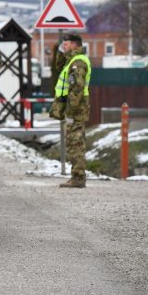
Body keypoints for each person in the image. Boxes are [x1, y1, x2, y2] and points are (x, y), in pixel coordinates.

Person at [50, 32, 91, 188]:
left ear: (75, 44)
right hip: (75, 108)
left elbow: (77, 89)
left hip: (77, 109)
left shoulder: (78, 62)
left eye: (66, 43)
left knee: (76, 143)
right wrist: (61, 52)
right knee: (73, 142)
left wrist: (71, 112)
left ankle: (78, 177)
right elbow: (58, 66)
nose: (64, 45)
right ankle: (77, 176)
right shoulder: (72, 60)